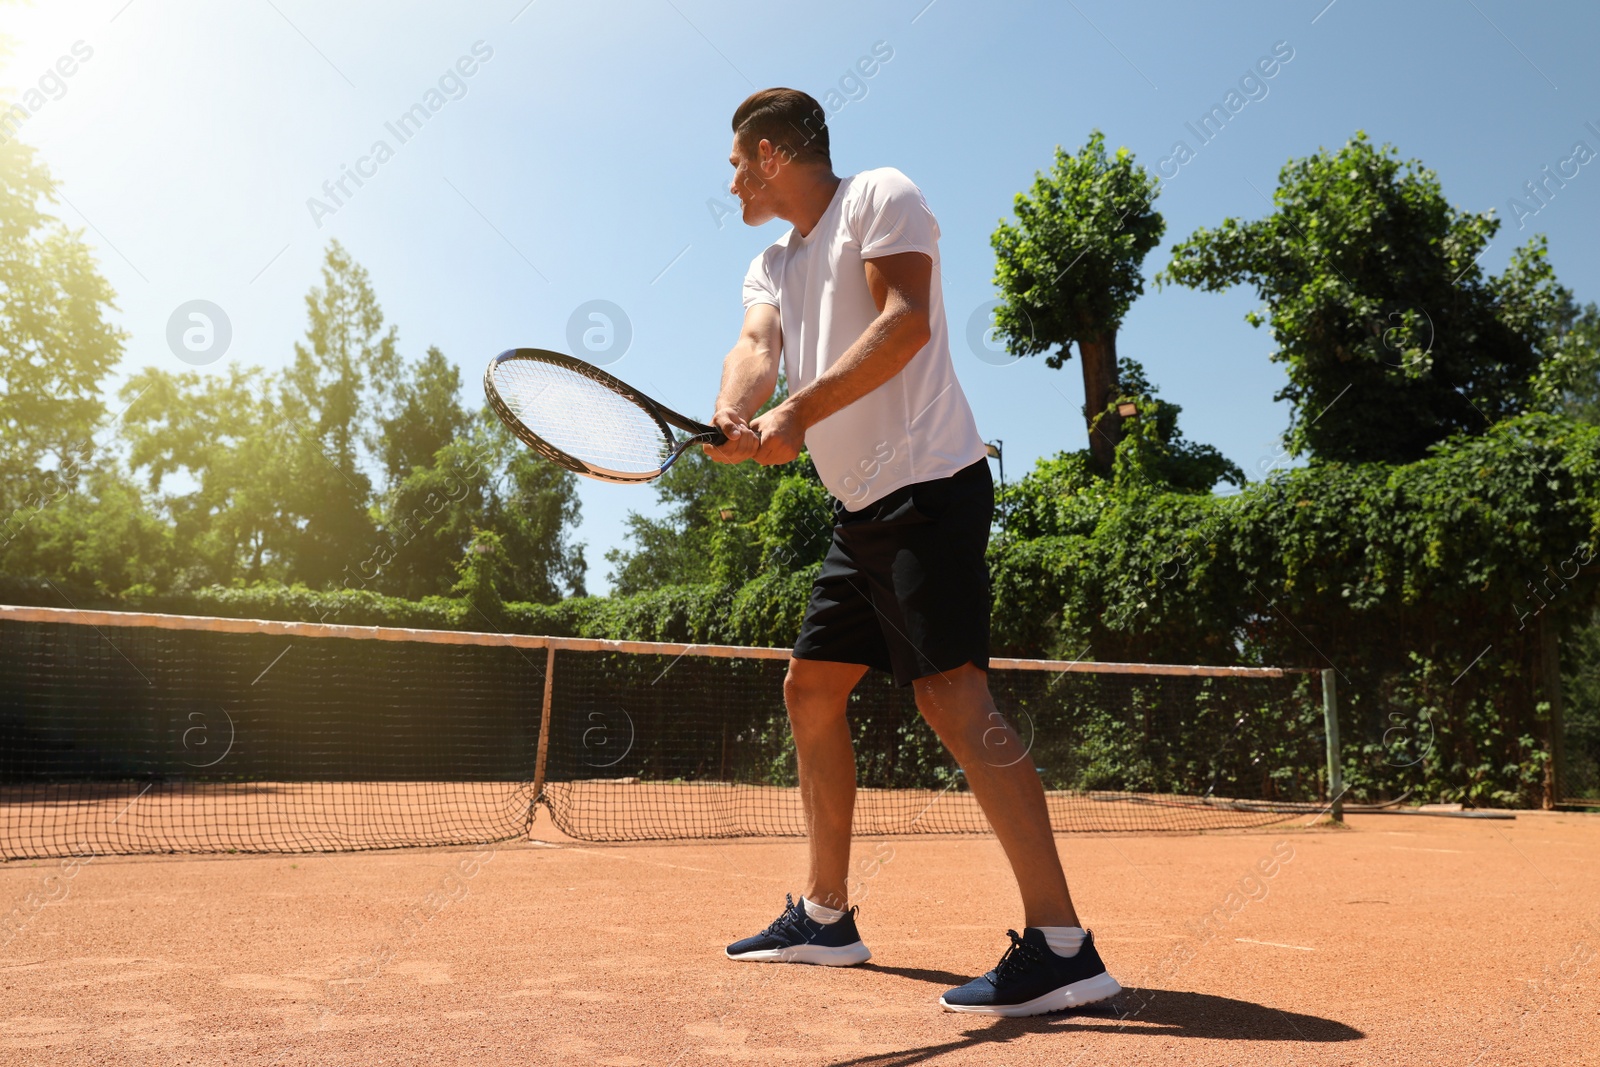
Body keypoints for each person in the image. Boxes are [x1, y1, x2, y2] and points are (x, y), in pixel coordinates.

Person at [703, 87, 1122, 1017]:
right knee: (809, 688)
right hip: (859, 514)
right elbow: (754, 345)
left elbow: (906, 322)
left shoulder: (880, 196)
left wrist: (795, 414)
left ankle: (1064, 945)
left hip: (931, 487)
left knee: (951, 694)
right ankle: (825, 916)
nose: (731, 181)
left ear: (771, 153)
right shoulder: (772, 260)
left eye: (737, 162)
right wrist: (737, 411)